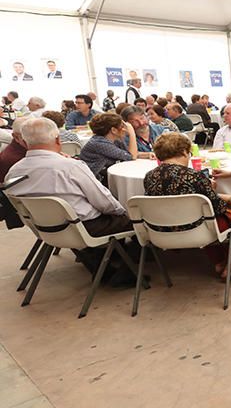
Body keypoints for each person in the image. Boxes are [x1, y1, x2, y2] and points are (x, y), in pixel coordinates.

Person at [6, 118, 138, 284]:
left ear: (24, 141)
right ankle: (124, 271)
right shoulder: (70, 166)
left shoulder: (14, 172)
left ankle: (106, 263)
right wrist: (122, 212)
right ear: (57, 139)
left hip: (45, 228)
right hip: (86, 227)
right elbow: (104, 202)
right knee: (138, 220)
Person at [144, 133, 231, 278]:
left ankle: (219, 262)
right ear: (183, 152)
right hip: (196, 229)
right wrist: (211, 189)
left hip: (160, 230)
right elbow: (217, 208)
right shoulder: (195, 176)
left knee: (202, 217)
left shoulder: (149, 176)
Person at [80, 112, 146, 182]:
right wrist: (132, 133)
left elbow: (128, 153)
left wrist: (147, 155)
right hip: (94, 181)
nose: (124, 129)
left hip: (103, 175)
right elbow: (132, 156)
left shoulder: (113, 139)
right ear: (113, 130)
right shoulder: (100, 143)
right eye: (122, 126)